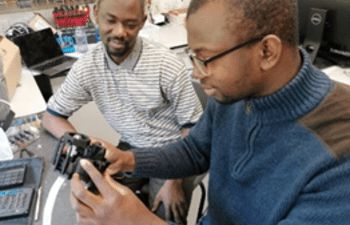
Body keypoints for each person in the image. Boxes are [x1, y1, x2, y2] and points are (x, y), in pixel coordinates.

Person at [70, 0, 350, 224]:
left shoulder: (339, 158)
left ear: (266, 51)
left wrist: (138, 222)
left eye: (204, 59)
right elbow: (195, 151)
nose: (195, 73)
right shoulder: (235, 91)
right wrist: (128, 159)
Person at [42, 0, 203, 223]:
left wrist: (173, 181)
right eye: (111, 20)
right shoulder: (88, 67)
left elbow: (193, 129)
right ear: (95, 14)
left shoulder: (165, 65)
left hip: (173, 153)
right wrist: (86, 147)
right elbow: (51, 116)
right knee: (93, 205)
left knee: (165, 214)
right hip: (129, 146)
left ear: (142, 23)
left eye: (130, 23)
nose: (119, 32)